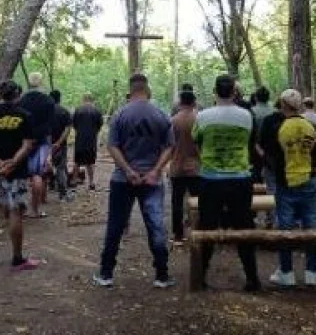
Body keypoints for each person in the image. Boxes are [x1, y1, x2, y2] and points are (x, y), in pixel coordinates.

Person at [94, 73, 175, 289]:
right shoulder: (161, 114)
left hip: (122, 179)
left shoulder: (120, 115)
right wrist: (156, 171)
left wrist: (128, 170)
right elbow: (170, 146)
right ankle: (162, 275)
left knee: (116, 226)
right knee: (156, 226)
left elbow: (113, 146)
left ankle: (106, 273)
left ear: (130, 92)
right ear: (147, 91)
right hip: (152, 181)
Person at [194, 75, 260, 291]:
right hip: (240, 178)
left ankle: (200, 276)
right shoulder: (246, 116)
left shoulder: (202, 116)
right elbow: (250, 142)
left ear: (214, 91)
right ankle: (252, 278)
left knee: (207, 226)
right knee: (244, 226)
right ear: (234, 92)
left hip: (210, 178)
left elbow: (197, 142)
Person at [263, 89, 316, 287]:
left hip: (285, 183)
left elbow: (270, 155)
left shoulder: (278, 127)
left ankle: (286, 272)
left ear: (283, 105)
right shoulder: (312, 126)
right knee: (311, 226)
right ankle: (311, 272)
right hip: (309, 180)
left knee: (285, 228)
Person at [0, 80, 38, 271]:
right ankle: (17, 258)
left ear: (0, 95)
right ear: (18, 95)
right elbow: (27, 145)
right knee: (15, 212)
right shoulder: (25, 116)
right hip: (16, 173)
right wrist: (12, 163)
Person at [18, 72, 55, 217]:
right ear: (41, 82)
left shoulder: (21, 100)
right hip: (42, 141)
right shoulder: (48, 100)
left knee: (20, 175)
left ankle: (19, 208)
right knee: (37, 175)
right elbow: (51, 124)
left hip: (23, 141)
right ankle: (35, 209)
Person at [169, 88, 201, 245]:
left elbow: (169, 146)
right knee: (197, 201)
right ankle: (198, 232)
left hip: (177, 166)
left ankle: (178, 235)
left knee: (177, 202)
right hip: (196, 167)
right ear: (194, 102)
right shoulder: (199, 119)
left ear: (180, 103)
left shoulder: (173, 121)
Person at [72, 93, 104, 189]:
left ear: (83, 99)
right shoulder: (97, 111)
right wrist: (94, 132)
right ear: (92, 100)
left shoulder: (78, 110)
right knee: (90, 162)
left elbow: (74, 125)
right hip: (91, 140)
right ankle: (91, 182)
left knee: (77, 161)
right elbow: (100, 125)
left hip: (80, 140)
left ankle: (74, 180)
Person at [48, 89, 74, 201]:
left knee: (46, 166)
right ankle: (63, 194)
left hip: (46, 144)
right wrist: (58, 143)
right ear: (60, 98)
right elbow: (67, 129)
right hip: (60, 145)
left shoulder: (45, 112)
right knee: (60, 168)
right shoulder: (64, 111)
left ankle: (49, 188)